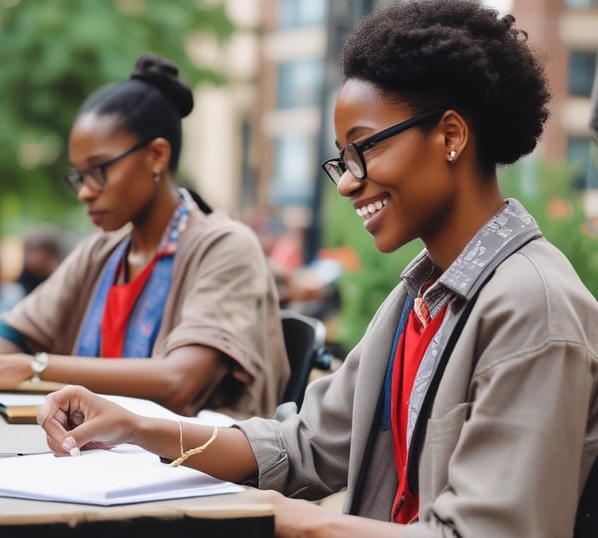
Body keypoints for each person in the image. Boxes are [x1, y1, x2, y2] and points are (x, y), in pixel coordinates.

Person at [35, 3, 598, 537]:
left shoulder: (535, 309)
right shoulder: (420, 297)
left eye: (363, 149)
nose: (348, 182)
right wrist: (134, 426)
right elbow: (301, 445)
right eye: (342, 160)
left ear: (450, 136)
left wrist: (290, 521)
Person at [0, 53, 289, 419]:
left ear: (156, 156)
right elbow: (9, 341)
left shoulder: (225, 246)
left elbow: (180, 381)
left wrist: (34, 368)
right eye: (79, 176)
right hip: (106, 460)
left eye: (99, 170)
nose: (85, 191)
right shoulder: (102, 253)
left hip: (197, 472)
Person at [15, 227, 63, 295]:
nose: (26, 256)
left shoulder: (61, 274)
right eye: (26, 251)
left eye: (31, 250)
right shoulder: (25, 275)